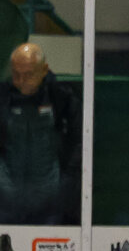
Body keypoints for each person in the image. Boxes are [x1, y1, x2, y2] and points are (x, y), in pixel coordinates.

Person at [0, 43, 82, 225]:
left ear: (44, 70)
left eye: (28, 75)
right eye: (16, 74)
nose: (21, 81)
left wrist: (65, 186)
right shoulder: (2, 97)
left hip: (50, 203)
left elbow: (79, 142)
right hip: (5, 202)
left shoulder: (61, 97)